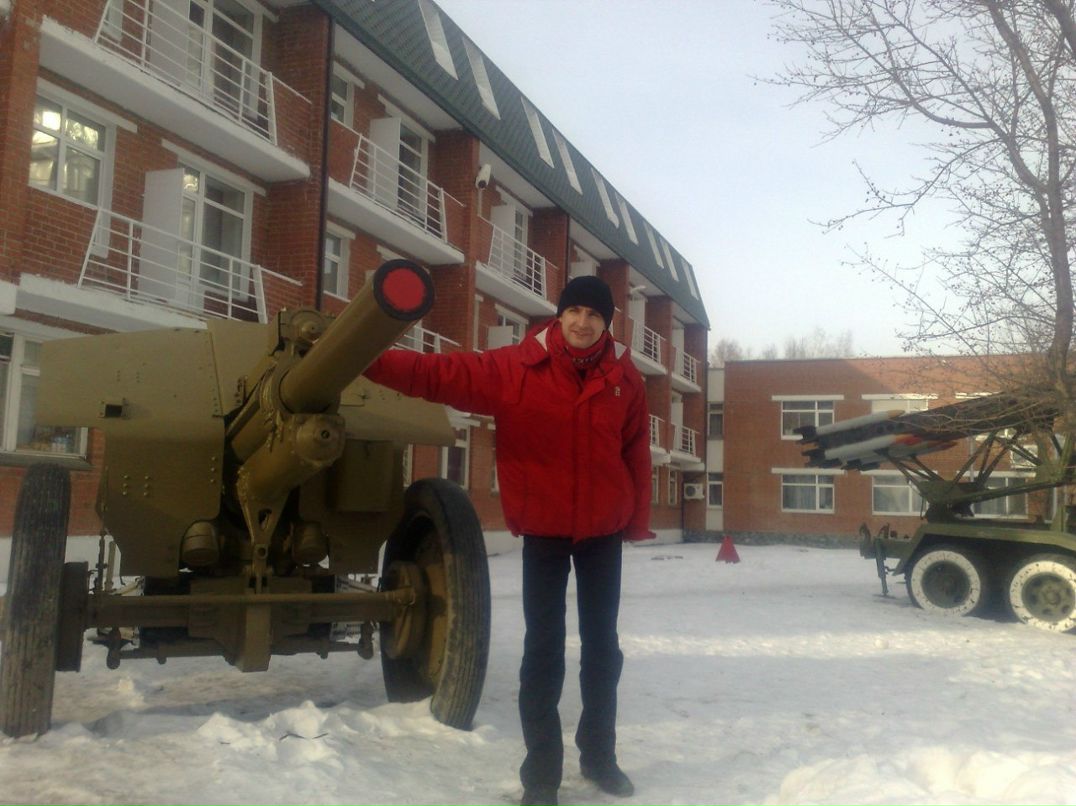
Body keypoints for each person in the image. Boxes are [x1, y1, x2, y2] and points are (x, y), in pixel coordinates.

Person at [364, 274, 654, 806]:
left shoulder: (625, 378)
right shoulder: (516, 368)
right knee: (542, 651)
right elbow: (440, 373)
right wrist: (365, 360)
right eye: (575, 312)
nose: (584, 323)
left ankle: (599, 756)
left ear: (607, 323)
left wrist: (635, 520)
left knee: (602, 650)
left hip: (602, 533)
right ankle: (541, 775)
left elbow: (634, 452)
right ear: (559, 316)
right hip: (544, 530)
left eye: (595, 315)